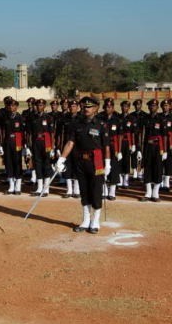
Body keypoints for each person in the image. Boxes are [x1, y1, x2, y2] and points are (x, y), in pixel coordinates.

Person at [56, 96, 110, 234]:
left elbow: (106, 146)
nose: (86, 109)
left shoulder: (101, 125)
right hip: (81, 161)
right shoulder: (76, 124)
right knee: (84, 191)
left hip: (96, 162)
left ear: (96, 108)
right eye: (84, 107)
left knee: (96, 191)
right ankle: (86, 220)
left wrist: (108, 163)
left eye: (89, 107)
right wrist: (61, 159)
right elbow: (70, 143)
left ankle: (95, 221)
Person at [138, 99, 166, 202]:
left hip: (158, 147)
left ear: (157, 107)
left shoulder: (161, 119)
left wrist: (165, 150)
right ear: (148, 107)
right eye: (150, 106)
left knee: (158, 169)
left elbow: (165, 135)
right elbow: (141, 134)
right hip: (147, 147)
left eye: (154, 106)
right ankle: (148, 193)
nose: (152, 107)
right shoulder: (145, 118)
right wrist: (139, 149)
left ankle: (155, 193)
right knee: (147, 168)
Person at [27, 99, 56, 196]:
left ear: (44, 106)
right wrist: (28, 146)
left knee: (46, 165)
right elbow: (29, 133)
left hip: (46, 143)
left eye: (41, 105)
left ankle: (46, 188)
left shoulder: (49, 118)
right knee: (38, 164)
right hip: (36, 143)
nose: (39, 107)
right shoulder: (32, 117)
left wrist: (52, 148)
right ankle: (39, 188)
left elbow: (52, 134)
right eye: (38, 105)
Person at [1, 99, 25, 195]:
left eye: (13, 106)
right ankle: (11, 186)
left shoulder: (20, 117)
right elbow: (2, 131)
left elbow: (24, 132)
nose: (11, 107)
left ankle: (18, 186)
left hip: (17, 141)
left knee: (17, 163)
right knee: (9, 162)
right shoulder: (6, 117)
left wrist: (25, 145)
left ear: (17, 107)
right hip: (8, 142)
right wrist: (1, 143)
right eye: (10, 105)